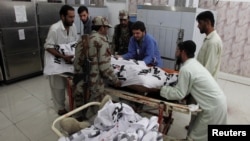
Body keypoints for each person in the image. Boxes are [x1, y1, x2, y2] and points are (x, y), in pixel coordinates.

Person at [160, 40, 227, 141]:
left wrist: (162, 89)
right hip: (219, 101)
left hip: (212, 107)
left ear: (183, 52)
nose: (176, 53)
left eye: (177, 50)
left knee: (195, 138)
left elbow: (179, 94)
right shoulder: (195, 64)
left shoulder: (186, 69)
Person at [73, 16, 121, 121]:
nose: (107, 30)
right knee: (94, 112)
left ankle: (78, 123)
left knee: (80, 109)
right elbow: (105, 67)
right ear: (101, 28)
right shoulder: (101, 40)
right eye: (106, 28)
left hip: (79, 82)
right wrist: (115, 80)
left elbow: (76, 62)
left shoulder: (83, 39)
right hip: (93, 84)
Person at [44, 5, 78, 115]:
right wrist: (62, 57)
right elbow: (48, 46)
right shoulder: (55, 29)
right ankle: (60, 108)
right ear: (62, 16)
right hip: (56, 60)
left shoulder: (73, 27)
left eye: (73, 17)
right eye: (70, 17)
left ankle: (71, 102)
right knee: (58, 86)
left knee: (70, 83)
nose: (73, 19)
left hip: (68, 59)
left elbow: (75, 43)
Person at [196, 11, 223, 80]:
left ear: (208, 22)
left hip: (205, 84)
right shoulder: (209, 39)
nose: (198, 26)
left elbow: (208, 68)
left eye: (200, 23)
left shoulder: (213, 42)